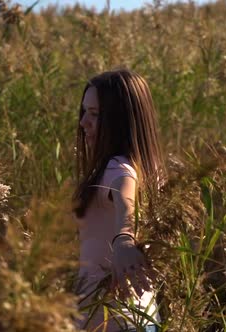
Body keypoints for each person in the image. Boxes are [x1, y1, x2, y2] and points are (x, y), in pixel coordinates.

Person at [72, 69, 164, 332]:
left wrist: (124, 238)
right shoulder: (148, 169)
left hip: (112, 321)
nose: (83, 123)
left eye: (95, 114)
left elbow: (125, 194)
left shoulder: (117, 167)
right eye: (84, 112)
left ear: (120, 121)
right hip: (141, 316)